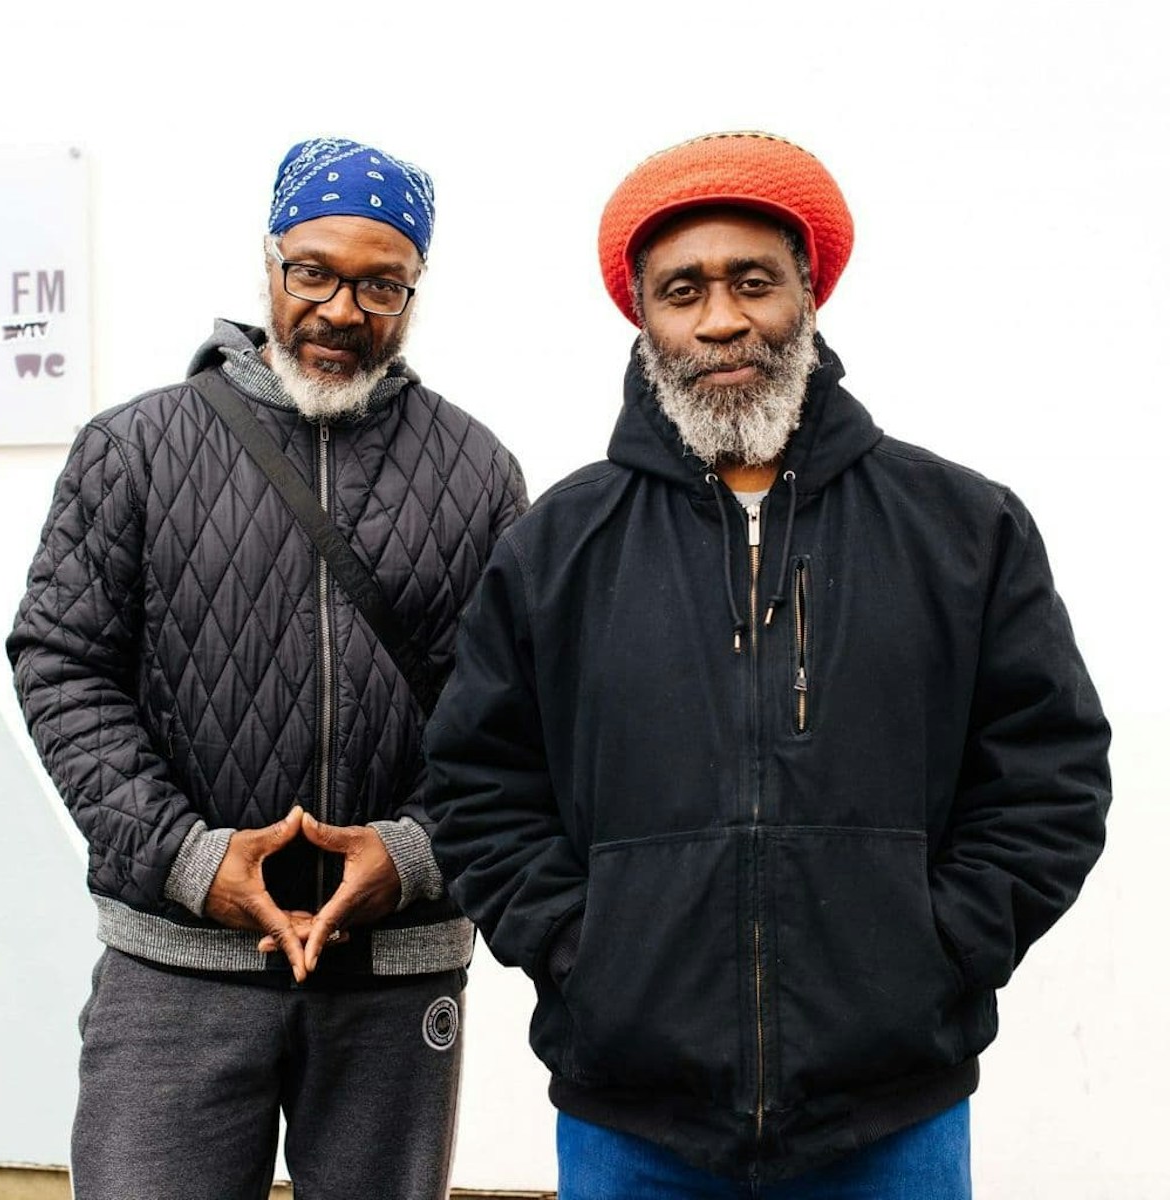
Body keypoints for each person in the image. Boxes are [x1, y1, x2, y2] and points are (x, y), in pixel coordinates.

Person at [423, 131, 1110, 1197]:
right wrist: (584, 954)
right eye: (683, 290)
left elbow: (1049, 775)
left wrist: (938, 951)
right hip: (632, 1121)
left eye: (754, 282)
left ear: (810, 295)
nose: (722, 319)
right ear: (643, 319)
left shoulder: (964, 529)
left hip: (893, 1115)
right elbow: (477, 785)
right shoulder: (556, 549)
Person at [7, 135, 527, 1200]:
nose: (342, 310)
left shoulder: (479, 471)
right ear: (270, 262)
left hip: (395, 966)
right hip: (175, 959)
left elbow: (517, 715)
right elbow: (61, 664)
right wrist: (188, 859)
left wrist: (414, 854)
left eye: (381, 285)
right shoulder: (135, 447)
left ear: (415, 288)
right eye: (314, 273)